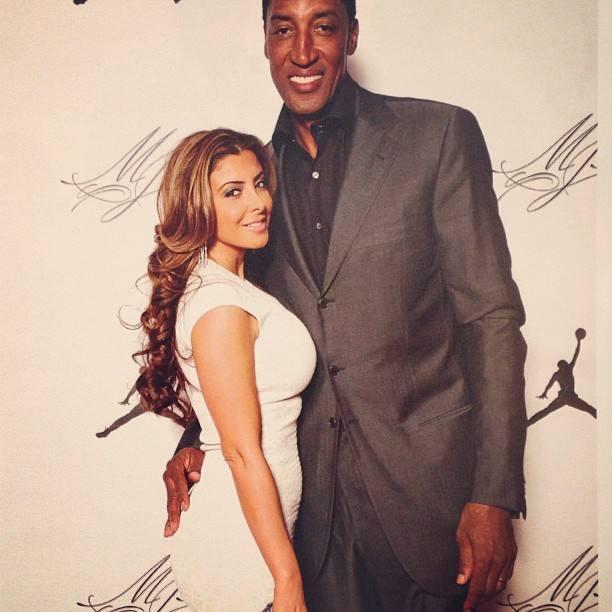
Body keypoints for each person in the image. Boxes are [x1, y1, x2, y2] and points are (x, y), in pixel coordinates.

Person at [163, 1, 528, 610]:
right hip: (309, 521)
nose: (303, 51)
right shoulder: (252, 181)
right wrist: (195, 439)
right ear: (265, 40)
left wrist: (493, 492)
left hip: (430, 502)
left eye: (324, 27)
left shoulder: (436, 136)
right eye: (284, 29)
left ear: (351, 35)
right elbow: (237, 326)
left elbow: (490, 320)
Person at [135, 129, 316, 611]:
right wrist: (287, 578)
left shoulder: (234, 287)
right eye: (232, 192)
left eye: (259, 184)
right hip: (240, 541)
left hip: (260, 531)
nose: (258, 203)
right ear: (198, 206)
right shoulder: (219, 302)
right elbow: (238, 451)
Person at [529, 328, 596, 426]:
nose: (566, 363)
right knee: (589, 409)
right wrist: (578, 341)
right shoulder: (566, 369)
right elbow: (576, 354)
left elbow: (576, 354)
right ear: (561, 365)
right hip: (568, 397)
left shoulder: (561, 372)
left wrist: (545, 392)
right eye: (564, 363)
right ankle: (527, 423)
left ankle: (527, 423)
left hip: (566, 397)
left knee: (546, 411)